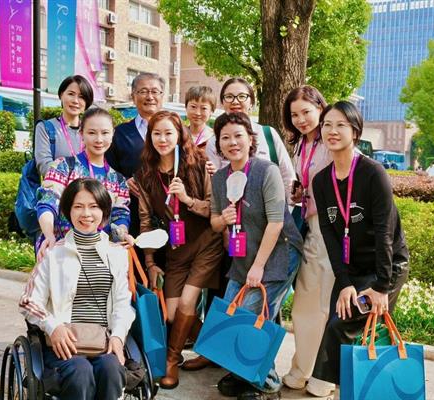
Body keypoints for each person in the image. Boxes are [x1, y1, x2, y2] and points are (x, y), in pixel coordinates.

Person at [310, 101, 409, 398]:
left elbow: (385, 234)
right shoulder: (321, 181)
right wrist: (344, 283)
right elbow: (331, 238)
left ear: (355, 132)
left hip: (386, 267)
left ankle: (367, 390)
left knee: (342, 327)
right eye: (327, 125)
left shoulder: (373, 173)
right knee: (340, 327)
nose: (332, 131)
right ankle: (353, 392)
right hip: (351, 269)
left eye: (340, 125)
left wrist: (381, 287)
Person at [209, 112, 303, 400]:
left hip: (279, 252)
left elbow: (276, 223)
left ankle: (267, 382)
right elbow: (214, 222)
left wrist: (259, 267)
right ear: (219, 144)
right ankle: (245, 372)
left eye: (238, 136)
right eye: (225, 138)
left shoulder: (266, 171)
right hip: (244, 255)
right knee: (231, 313)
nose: (232, 142)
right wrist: (223, 219)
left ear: (250, 140)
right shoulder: (220, 178)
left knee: (252, 315)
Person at [19, 178, 135, 400]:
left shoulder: (117, 254)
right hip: (64, 345)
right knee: (80, 372)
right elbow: (28, 301)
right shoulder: (53, 254)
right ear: (68, 211)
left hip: (102, 341)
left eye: (94, 206)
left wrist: (118, 337)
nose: (86, 214)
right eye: (78, 206)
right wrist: (53, 327)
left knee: (112, 369)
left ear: (104, 211)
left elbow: (123, 303)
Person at [135, 111, 222, 389]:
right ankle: (213, 349)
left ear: (179, 135)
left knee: (187, 304)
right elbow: (146, 221)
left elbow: (214, 209)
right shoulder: (145, 174)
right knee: (172, 313)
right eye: (156, 133)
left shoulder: (199, 163)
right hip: (176, 249)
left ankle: (171, 362)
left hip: (206, 243)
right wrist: (150, 262)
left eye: (168, 133)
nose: (162, 139)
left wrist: (186, 199)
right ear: (150, 137)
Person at [280, 86, 336, 394]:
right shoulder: (302, 144)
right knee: (306, 302)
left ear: (320, 108)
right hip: (309, 227)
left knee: (320, 304)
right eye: (294, 114)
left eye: (306, 112)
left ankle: (321, 376)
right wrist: (300, 194)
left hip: (330, 230)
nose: (301, 119)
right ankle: (304, 369)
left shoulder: (331, 141)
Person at [36, 108, 132, 260]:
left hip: (98, 257)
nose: (99, 139)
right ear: (81, 134)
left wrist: (122, 234)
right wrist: (48, 235)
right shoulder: (63, 167)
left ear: (113, 134)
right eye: (92, 133)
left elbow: (119, 215)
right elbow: (48, 202)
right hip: (61, 251)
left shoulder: (118, 180)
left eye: (105, 133)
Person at [205, 77, 295, 198]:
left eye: (242, 96)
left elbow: (287, 175)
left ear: (251, 102)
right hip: (231, 207)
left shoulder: (268, 134)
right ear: (222, 102)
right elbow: (214, 185)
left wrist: (290, 203)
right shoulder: (214, 142)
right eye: (229, 97)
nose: (235, 101)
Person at [105, 72, 165, 236]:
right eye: (143, 91)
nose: (150, 96)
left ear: (162, 96)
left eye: (155, 91)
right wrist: (124, 182)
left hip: (167, 211)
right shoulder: (119, 133)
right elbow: (108, 170)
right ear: (133, 96)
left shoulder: (175, 131)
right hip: (131, 214)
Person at [35, 75, 94, 177]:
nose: (75, 101)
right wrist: (75, 177)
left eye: (81, 97)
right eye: (71, 94)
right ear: (61, 95)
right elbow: (44, 166)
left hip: (89, 187)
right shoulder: (46, 128)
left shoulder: (92, 131)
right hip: (57, 187)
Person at [184, 85, 217, 154]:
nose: (197, 113)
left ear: (211, 111)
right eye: (193, 107)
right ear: (186, 107)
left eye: (204, 108)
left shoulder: (216, 139)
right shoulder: (178, 135)